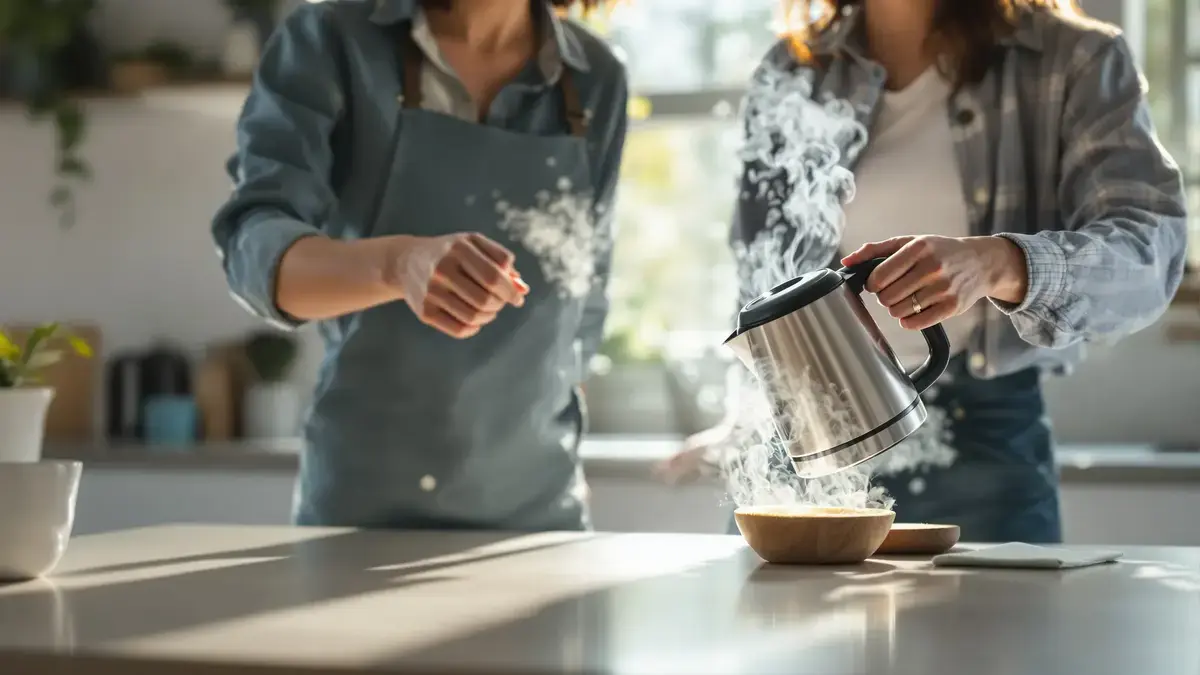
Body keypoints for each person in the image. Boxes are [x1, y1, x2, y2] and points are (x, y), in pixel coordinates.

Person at [659, 0, 1188, 543]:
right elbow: (761, 268)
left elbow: (1151, 251)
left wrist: (998, 263)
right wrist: (742, 414)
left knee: (996, 629)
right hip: (810, 428)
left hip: (982, 439)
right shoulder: (794, 69)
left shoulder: (1073, 58)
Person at [211, 0, 628, 532]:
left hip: (541, 515)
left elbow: (582, 307)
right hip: (363, 514)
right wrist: (397, 264)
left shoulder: (596, 78)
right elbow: (257, 251)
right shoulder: (331, 42)